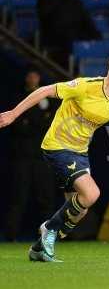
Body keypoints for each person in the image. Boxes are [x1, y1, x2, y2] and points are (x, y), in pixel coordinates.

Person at [0, 50, 109, 262]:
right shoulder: (85, 86)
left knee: (79, 211)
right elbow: (44, 91)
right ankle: (49, 228)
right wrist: (13, 114)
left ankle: (39, 249)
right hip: (57, 146)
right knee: (92, 193)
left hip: (80, 152)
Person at [4, 70, 56, 241]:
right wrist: (37, 121)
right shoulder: (18, 98)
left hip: (42, 158)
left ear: (39, 77)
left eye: (36, 75)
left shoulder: (47, 99)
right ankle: (11, 236)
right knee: (18, 198)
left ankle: (46, 238)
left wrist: (31, 121)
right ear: (26, 77)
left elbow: (50, 125)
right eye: (30, 75)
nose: (33, 78)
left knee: (46, 199)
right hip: (22, 158)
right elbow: (19, 126)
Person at [36, 0, 101, 68]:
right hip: (55, 41)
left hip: (74, 39)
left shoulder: (74, 0)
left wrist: (97, 36)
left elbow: (86, 21)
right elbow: (44, 20)